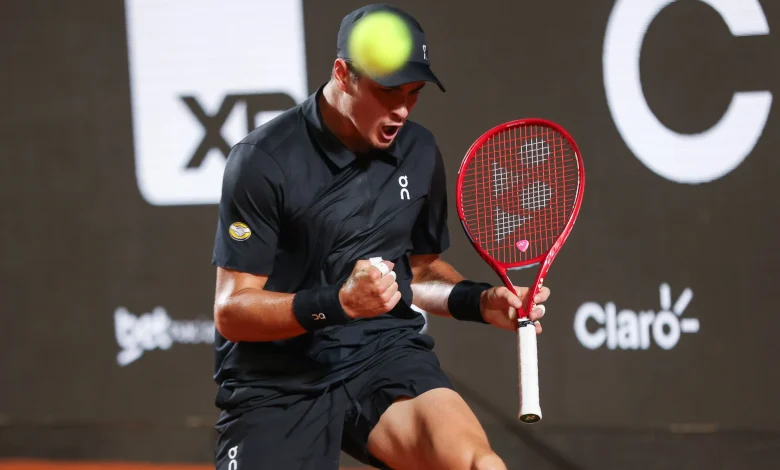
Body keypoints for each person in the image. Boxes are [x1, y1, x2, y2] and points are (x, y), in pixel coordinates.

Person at [210, 4, 549, 469]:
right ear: (344, 74)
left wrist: (481, 301)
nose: (402, 110)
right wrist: (341, 302)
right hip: (277, 378)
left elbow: (421, 272)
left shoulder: (419, 150)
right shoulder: (264, 160)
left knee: (478, 465)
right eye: (388, 92)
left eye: (414, 93)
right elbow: (232, 311)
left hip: (380, 353)